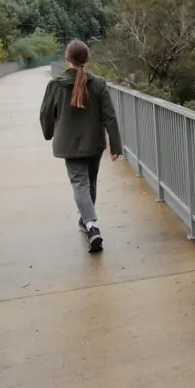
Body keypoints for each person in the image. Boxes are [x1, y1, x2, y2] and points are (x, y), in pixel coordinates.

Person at [40, 40, 121, 252]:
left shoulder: (56, 85)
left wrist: (49, 133)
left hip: (69, 144)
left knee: (79, 183)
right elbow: (109, 117)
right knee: (90, 182)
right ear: (88, 59)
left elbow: (46, 113)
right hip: (93, 143)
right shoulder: (98, 83)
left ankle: (91, 225)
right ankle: (87, 219)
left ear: (67, 58)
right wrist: (115, 146)